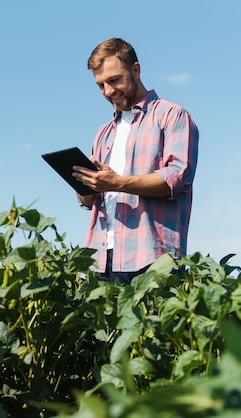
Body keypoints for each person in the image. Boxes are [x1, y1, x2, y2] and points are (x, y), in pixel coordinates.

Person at [72, 38, 199, 285]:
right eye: (100, 85)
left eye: (114, 80)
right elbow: (89, 202)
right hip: (102, 258)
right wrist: (84, 183)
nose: (108, 91)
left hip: (153, 258)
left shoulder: (172, 116)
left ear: (136, 70)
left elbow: (177, 178)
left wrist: (117, 182)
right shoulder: (104, 132)